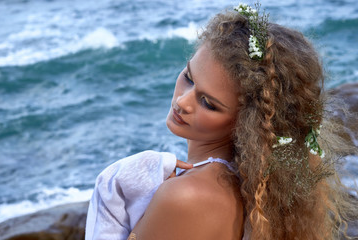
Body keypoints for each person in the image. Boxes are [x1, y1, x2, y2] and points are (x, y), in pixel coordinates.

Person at [87, 3, 358, 240]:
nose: (182, 101)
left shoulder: (189, 195)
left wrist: (117, 182)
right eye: (189, 77)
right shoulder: (250, 189)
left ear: (247, 123)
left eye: (208, 103)